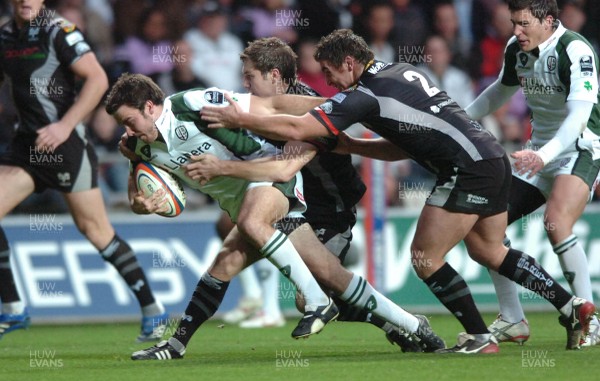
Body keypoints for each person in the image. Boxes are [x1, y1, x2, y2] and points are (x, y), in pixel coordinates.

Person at [201, 28, 597, 353]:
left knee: (424, 257)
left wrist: (240, 116)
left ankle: (479, 338)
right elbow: (401, 145)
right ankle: (572, 305)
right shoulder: (399, 72)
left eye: (330, 71)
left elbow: (298, 129)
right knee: (489, 250)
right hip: (490, 157)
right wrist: (355, 146)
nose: (329, 82)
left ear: (349, 64)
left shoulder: (364, 95)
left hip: (466, 170)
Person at [105, 73, 444, 360]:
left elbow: (271, 106)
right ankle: (414, 326)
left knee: (254, 224)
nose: (127, 131)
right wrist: (142, 205)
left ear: (150, 107)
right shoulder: (136, 147)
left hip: (267, 177)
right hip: (243, 203)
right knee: (258, 267)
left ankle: (316, 302)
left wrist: (347, 107)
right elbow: (139, 193)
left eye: (129, 121)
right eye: (123, 125)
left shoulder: (192, 104)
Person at [188, 36, 437, 350]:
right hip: (294, 206)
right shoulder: (263, 108)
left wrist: (222, 168)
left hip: (328, 210)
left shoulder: (307, 115)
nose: (244, 84)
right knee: (232, 250)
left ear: (275, 77)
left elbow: (283, 168)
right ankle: (179, 341)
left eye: (250, 76)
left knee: (311, 297)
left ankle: (400, 322)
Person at [0, 0, 167, 341]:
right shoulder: (5, 35)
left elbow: (97, 78)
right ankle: (14, 308)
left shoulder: (57, 30)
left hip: (65, 146)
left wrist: (64, 126)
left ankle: (154, 311)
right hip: (26, 147)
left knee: (96, 231)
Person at [464, 0, 600, 346]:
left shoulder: (576, 50)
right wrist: (460, 119)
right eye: (513, 23)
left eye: (523, 24)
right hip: (537, 152)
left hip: (580, 147)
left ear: (548, 21)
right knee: (484, 225)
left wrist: (546, 155)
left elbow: (578, 118)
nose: (515, 31)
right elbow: (501, 90)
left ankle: (590, 320)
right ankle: (513, 319)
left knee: (555, 223)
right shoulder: (517, 49)